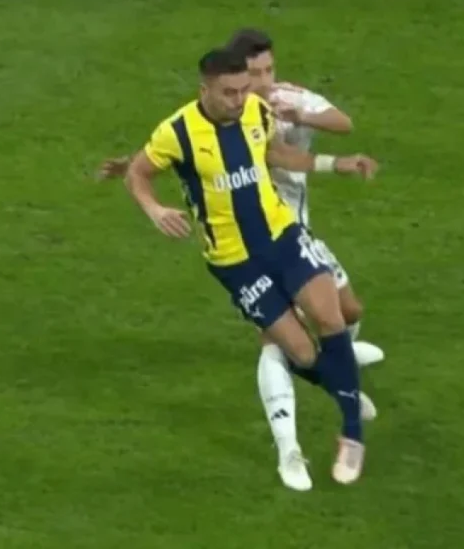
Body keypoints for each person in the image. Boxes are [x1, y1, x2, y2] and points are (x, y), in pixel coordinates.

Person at [122, 44, 379, 485]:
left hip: (282, 236)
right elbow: (137, 172)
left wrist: (336, 163)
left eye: (243, 90)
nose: (240, 99)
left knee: (330, 315)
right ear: (205, 90)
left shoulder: (256, 112)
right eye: (229, 92)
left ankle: (351, 432)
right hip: (234, 261)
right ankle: (345, 390)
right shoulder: (177, 132)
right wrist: (155, 209)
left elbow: (277, 156)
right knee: (301, 352)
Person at [225, 27, 386, 491]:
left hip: (298, 233)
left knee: (347, 311)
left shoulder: (286, 98)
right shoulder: (225, 118)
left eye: (268, 69)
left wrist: (302, 115)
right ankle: (289, 452)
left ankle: (339, 371)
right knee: (279, 340)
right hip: (250, 247)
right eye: (254, 73)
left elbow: (342, 122)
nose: (263, 80)